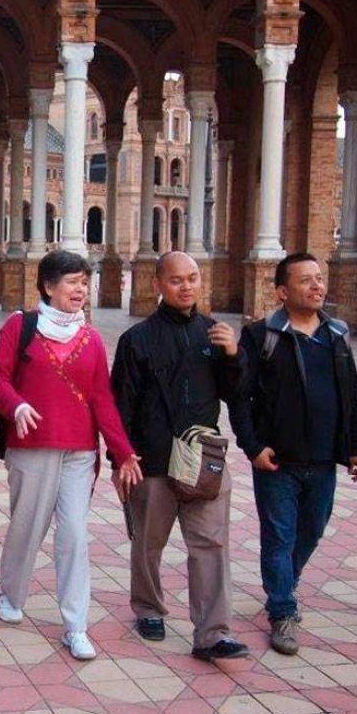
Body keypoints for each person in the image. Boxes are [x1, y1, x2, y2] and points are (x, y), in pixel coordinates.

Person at [0, 251, 142, 660]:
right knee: (27, 527)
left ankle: (76, 625)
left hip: (79, 452)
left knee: (73, 533)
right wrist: (16, 405)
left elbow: (101, 398)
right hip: (31, 447)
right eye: (73, 281)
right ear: (48, 286)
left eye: (83, 282)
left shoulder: (91, 338)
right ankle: (12, 594)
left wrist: (122, 451)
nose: (80, 289)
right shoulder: (20, 327)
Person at [110, 251, 249, 662]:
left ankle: (213, 634)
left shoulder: (214, 333)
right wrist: (122, 459)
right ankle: (149, 608)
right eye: (176, 280)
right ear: (158, 285)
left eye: (192, 278)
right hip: (153, 460)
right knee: (149, 542)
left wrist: (233, 357)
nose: (186, 286)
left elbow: (235, 394)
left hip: (204, 459)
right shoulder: (137, 340)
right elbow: (123, 405)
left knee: (210, 543)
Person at [229, 252, 357, 656]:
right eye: (306, 280)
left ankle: (283, 582)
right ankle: (283, 611)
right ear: (282, 292)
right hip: (277, 461)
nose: (317, 286)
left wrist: (355, 446)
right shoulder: (261, 336)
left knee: (312, 530)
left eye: (319, 279)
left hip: (324, 460)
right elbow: (241, 399)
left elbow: (352, 395)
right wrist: (252, 447)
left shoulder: (337, 335)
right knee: (279, 536)